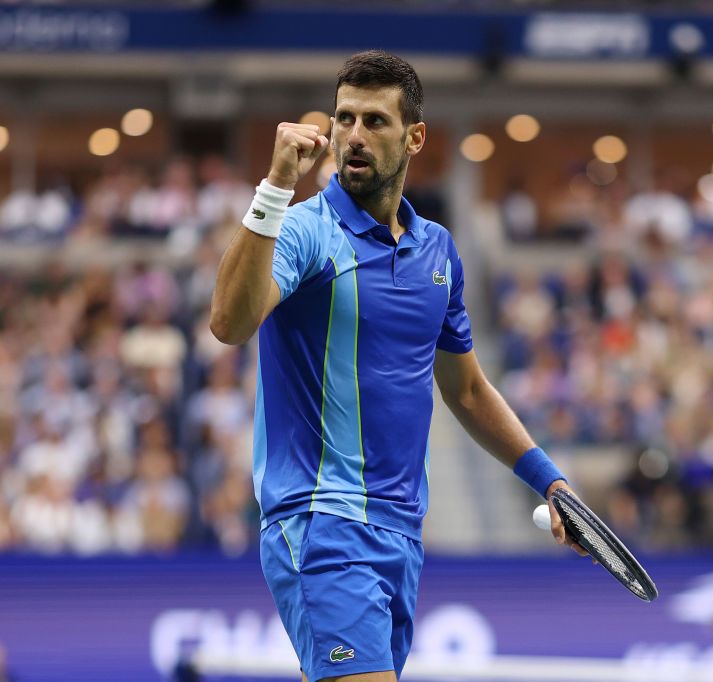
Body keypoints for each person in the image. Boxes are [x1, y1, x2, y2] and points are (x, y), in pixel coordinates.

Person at [210, 50, 586, 682]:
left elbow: (465, 390)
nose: (354, 136)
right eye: (345, 118)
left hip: (401, 535)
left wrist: (552, 483)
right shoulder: (305, 229)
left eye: (375, 122)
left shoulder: (437, 250)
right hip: (321, 519)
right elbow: (229, 322)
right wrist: (273, 190)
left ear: (415, 137)